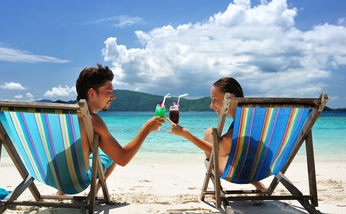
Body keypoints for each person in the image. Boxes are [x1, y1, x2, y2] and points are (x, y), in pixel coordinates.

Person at [57, 63, 165, 195]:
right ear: (92, 93)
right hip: (76, 182)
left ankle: (60, 192)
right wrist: (146, 129)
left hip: (50, 176)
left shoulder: (58, 116)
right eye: (108, 92)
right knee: (112, 154)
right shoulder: (92, 120)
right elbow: (122, 158)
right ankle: (95, 191)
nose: (113, 97)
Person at [167, 77, 265, 190]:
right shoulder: (250, 118)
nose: (211, 105)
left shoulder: (241, 126)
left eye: (214, 100)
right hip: (260, 168)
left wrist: (187, 134)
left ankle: (217, 189)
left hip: (240, 172)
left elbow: (218, 152)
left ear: (231, 98)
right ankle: (258, 185)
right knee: (210, 132)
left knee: (210, 159)